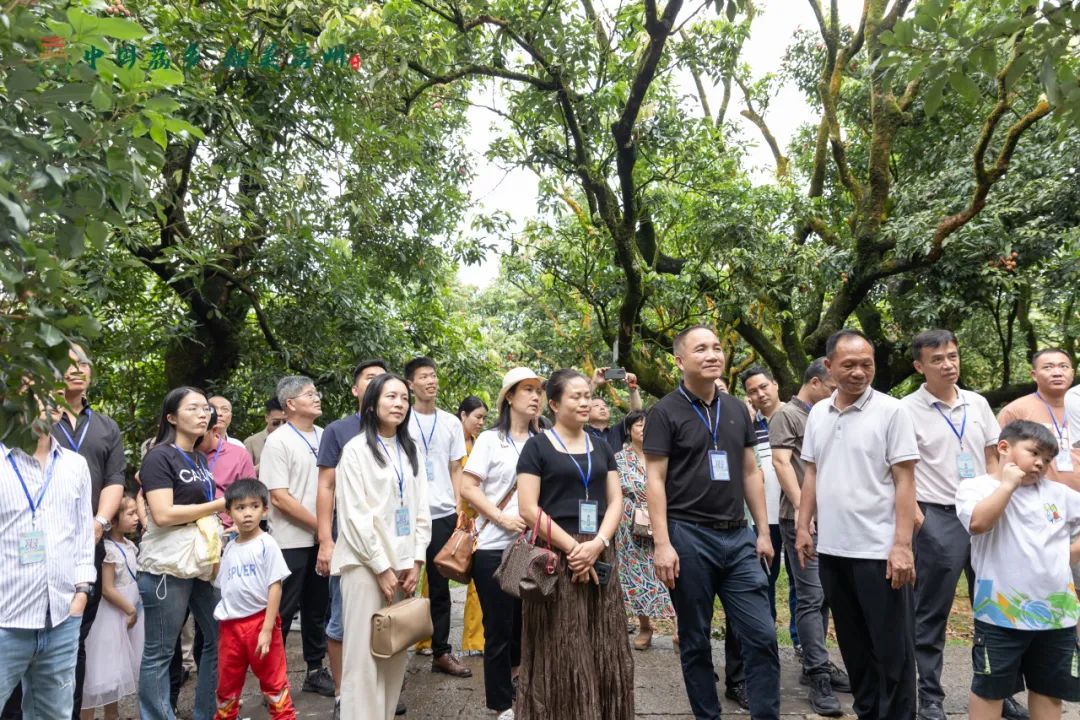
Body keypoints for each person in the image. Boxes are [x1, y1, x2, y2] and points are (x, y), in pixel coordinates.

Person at [644, 325, 780, 720]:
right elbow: (655, 480)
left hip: (739, 537)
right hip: (688, 537)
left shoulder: (738, 408)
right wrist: (662, 543)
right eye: (700, 348)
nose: (712, 354)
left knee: (762, 635)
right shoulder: (664, 412)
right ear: (680, 361)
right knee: (695, 640)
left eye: (717, 347)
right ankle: (708, 715)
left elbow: (751, 472)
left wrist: (764, 532)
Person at [796, 329, 920, 720]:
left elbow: (905, 480)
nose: (858, 372)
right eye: (848, 365)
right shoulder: (818, 412)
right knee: (853, 647)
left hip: (878, 551)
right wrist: (803, 526)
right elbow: (812, 474)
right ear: (829, 366)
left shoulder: (892, 411)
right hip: (833, 550)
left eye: (866, 364)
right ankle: (868, 713)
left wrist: (902, 546)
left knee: (892, 651)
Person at [515, 368, 634, 719]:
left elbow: (616, 501)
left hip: (598, 552)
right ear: (553, 403)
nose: (586, 402)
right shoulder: (537, 447)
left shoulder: (601, 446)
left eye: (588, 395)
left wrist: (597, 543)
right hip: (554, 554)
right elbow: (527, 508)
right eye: (576, 396)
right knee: (561, 644)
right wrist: (573, 549)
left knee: (603, 640)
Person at [901, 330, 1003, 720]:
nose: (948, 364)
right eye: (938, 359)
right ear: (919, 366)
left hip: (982, 516)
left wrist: (994, 498)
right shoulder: (906, 409)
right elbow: (901, 471)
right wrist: (917, 518)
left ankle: (994, 691)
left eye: (953, 356)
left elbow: (992, 456)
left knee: (992, 607)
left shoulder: (977, 404)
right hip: (937, 516)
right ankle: (930, 695)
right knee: (931, 611)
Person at [956, 420, 1080, 720]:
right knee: (990, 689)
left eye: (1047, 459)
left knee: (1050, 690)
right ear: (1003, 448)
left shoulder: (1060, 494)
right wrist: (1008, 485)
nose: (1040, 464)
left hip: (1056, 614)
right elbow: (978, 523)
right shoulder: (975, 487)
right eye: (1033, 453)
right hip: (1000, 613)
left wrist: (1065, 556)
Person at [333, 373, 430, 720]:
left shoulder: (410, 449)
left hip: (403, 566)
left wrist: (416, 560)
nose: (399, 404)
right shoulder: (356, 451)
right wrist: (381, 566)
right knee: (362, 657)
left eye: (404, 398)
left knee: (394, 653)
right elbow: (355, 517)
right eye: (391, 397)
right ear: (372, 404)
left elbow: (421, 509)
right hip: (364, 567)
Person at [0, 402, 95, 720]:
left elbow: (83, 535)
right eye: (34, 392)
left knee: (53, 715)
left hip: (61, 620)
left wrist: (81, 593)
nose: (49, 399)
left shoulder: (75, 465)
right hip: (5, 621)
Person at [137, 386, 225, 720]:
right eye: (193, 409)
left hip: (200, 562)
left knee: (220, 636)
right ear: (171, 417)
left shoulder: (200, 458)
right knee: (159, 652)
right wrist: (219, 505)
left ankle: (206, 713)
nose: (203, 414)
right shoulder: (159, 455)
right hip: (167, 565)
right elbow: (162, 514)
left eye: (205, 409)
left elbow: (197, 512)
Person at [460, 368, 544, 718]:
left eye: (538, 390)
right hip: (495, 546)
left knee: (528, 625)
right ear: (509, 396)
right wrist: (500, 517)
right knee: (499, 628)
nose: (535, 396)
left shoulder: (546, 439)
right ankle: (500, 704)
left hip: (535, 547)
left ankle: (519, 685)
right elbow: (468, 486)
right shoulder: (491, 440)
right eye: (527, 390)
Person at [50, 344, 126, 720]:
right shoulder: (37, 419)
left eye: (82, 364)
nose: (76, 370)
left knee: (76, 636)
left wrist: (100, 523)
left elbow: (115, 479)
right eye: (66, 365)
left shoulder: (106, 426)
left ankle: (71, 712)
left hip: (90, 542)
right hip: (42, 543)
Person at [769, 357, 847, 715]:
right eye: (832, 386)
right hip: (800, 519)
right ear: (815, 382)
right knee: (811, 595)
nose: (837, 393)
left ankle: (817, 663)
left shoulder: (828, 414)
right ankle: (817, 672)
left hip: (834, 519)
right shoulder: (788, 414)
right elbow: (782, 463)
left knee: (826, 594)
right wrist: (805, 515)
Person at [314, 358, 389, 718]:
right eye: (370, 379)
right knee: (344, 619)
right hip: (350, 541)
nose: (378, 385)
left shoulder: (397, 432)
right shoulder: (339, 431)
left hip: (389, 545)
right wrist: (326, 540)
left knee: (385, 619)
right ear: (357, 389)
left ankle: (377, 690)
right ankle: (345, 693)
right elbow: (326, 485)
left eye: (384, 380)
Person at [260, 376, 334, 696]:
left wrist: (326, 532)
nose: (317, 398)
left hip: (323, 539)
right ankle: (271, 681)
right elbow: (278, 497)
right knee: (282, 613)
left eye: (315, 392)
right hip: (291, 541)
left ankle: (315, 671)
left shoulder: (324, 435)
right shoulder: (278, 441)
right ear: (290, 404)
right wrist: (321, 527)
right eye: (309, 394)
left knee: (318, 608)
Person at [403, 356, 472, 677]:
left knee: (441, 586)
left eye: (433, 375)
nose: (431, 381)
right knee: (401, 583)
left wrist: (460, 507)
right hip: (407, 515)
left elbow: (456, 467)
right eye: (424, 376)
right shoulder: (401, 419)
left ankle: (441, 652)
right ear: (410, 384)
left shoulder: (449, 422)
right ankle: (393, 653)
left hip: (444, 514)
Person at [213, 478, 296, 719]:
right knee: (227, 689)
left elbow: (275, 587)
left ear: (265, 510)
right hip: (230, 628)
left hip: (260, 623)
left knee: (275, 685)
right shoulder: (228, 548)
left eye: (254, 506)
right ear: (228, 512)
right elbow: (223, 586)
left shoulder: (267, 544)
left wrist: (268, 629)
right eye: (240, 508)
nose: (247, 513)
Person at [613, 409, 675, 651]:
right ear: (629, 430)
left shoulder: (662, 454)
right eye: (638, 425)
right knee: (635, 575)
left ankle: (677, 625)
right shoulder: (619, 458)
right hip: (630, 526)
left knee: (670, 571)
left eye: (647, 424)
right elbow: (615, 490)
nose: (643, 428)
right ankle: (645, 626)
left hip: (662, 519)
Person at [80, 495, 144, 720]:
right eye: (130, 514)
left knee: (115, 675)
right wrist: (130, 609)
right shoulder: (107, 549)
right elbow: (107, 589)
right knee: (96, 676)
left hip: (125, 616)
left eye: (137, 512)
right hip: (109, 618)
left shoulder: (130, 546)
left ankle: (112, 715)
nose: (137, 518)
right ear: (113, 521)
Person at [997, 349, 1078, 491]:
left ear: (1072, 373)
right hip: (1034, 498)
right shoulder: (1015, 411)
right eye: (1048, 367)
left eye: (1063, 367)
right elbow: (998, 458)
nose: (1057, 372)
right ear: (1034, 375)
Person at [454, 395, 488, 658]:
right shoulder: (452, 444)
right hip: (453, 518)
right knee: (439, 575)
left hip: (477, 520)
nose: (480, 422)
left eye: (484, 418)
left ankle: (475, 640)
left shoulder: (480, 445)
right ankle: (425, 639)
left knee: (476, 581)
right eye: (477, 417)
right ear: (462, 415)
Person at [197, 406, 257, 532]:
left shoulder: (239, 455)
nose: (193, 441)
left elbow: (252, 495)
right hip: (188, 531)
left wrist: (240, 526)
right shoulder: (179, 453)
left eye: (199, 437)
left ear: (214, 430)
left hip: (227, 531)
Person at [586, 367, 643, 452]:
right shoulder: (581, 431)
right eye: (596, 406)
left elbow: (636, 414)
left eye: (605, 406)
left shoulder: (616, 431)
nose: (602, 408)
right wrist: (594, 383)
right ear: (586, 412)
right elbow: (579, 405)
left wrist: (632, 389)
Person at [243, 396, 286, 470]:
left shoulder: (296, 440)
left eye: (285, 422)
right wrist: (263, 465)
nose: (281, 426)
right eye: (276, 422)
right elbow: (244, 474)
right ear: (266, 418)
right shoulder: (251, 443)